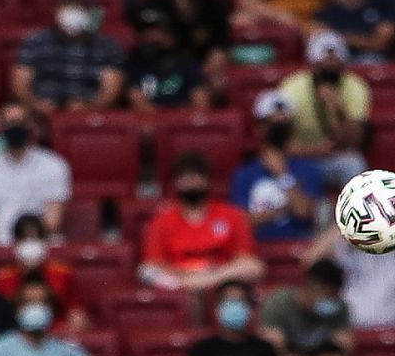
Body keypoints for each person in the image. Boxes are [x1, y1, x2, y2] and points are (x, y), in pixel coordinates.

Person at [138, 152, 264, 291]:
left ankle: (202, 286)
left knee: (253, 267)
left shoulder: (232, 215)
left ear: (207, 180)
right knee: (147, 271)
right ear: (176, 183)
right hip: (178, 279)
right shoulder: (161, 221)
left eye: (197, 177)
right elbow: (155, 263)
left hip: (222, 278)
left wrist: (209, 277)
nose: (192, 183)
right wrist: (189, 275)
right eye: (186, 178)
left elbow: (244, 257)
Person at [12, 0, 125, 115]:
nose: (74, 11)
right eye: (69, 5)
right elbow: (20, 83)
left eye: (81, 6)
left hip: (87, 114)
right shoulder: (36, 42)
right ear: (58, 8)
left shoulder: (107, 47)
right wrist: (36, 105)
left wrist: (89, 108)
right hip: (41, 110)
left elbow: (110, 92)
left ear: (90, 11)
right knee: (14, 114)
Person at [0, 102, 72, 244]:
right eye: (10, 123)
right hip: (1, 244)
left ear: (31, 127)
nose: (16, 128)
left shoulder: (54, 166)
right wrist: (1, 251)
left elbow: (53, 222)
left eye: (21, 122)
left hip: (43, 243)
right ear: (0, 127)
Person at [278, 30, 370, 187]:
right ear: (312, 64)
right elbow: (279, 144)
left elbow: (355, 143)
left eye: (335, 63)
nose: (330, 68)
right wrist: (314, 151)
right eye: (324, 64)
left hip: (335, 158)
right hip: (300, 159)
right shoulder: (291, 88)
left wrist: (339, 110)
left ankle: (355, 211)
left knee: (354, 163)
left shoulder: (356, 87)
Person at [230, 90, 322, 243]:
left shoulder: (309, 169)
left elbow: (303, 212)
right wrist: (283, 209)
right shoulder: (244, 174)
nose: (278, 129)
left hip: (297, 246)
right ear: (259, 128)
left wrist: (283, 174)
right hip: (256, 249)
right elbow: (242, 223)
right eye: (272, 124)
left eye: (283, 124)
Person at [186, 281, 286, 356]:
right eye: (229, 302)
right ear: (218, 308)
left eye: (240, 301)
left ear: (250, 308)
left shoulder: (264, 348)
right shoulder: (203, 349)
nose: (234, 306)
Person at [136, 0, 230, 78]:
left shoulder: (216, 8)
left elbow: (219, 49)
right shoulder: (156, 4)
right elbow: (147, 39)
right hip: (161, 67)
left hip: (199, 71)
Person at [258, 259, 351, 356]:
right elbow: (274, 354)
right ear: (310, 287)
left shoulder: (338, 307)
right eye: (327, 295)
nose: (330, 300)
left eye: (334, 296)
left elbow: (345, 349)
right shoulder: (277, 303)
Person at [124, 9, 210, 110]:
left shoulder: (187, 64)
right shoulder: (134, 63)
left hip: (183, 122)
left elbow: (201, 102)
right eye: (145, 32)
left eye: (157, 31)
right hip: (147, 123)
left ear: (172, 35)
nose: (150, 37)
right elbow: (136, 99)